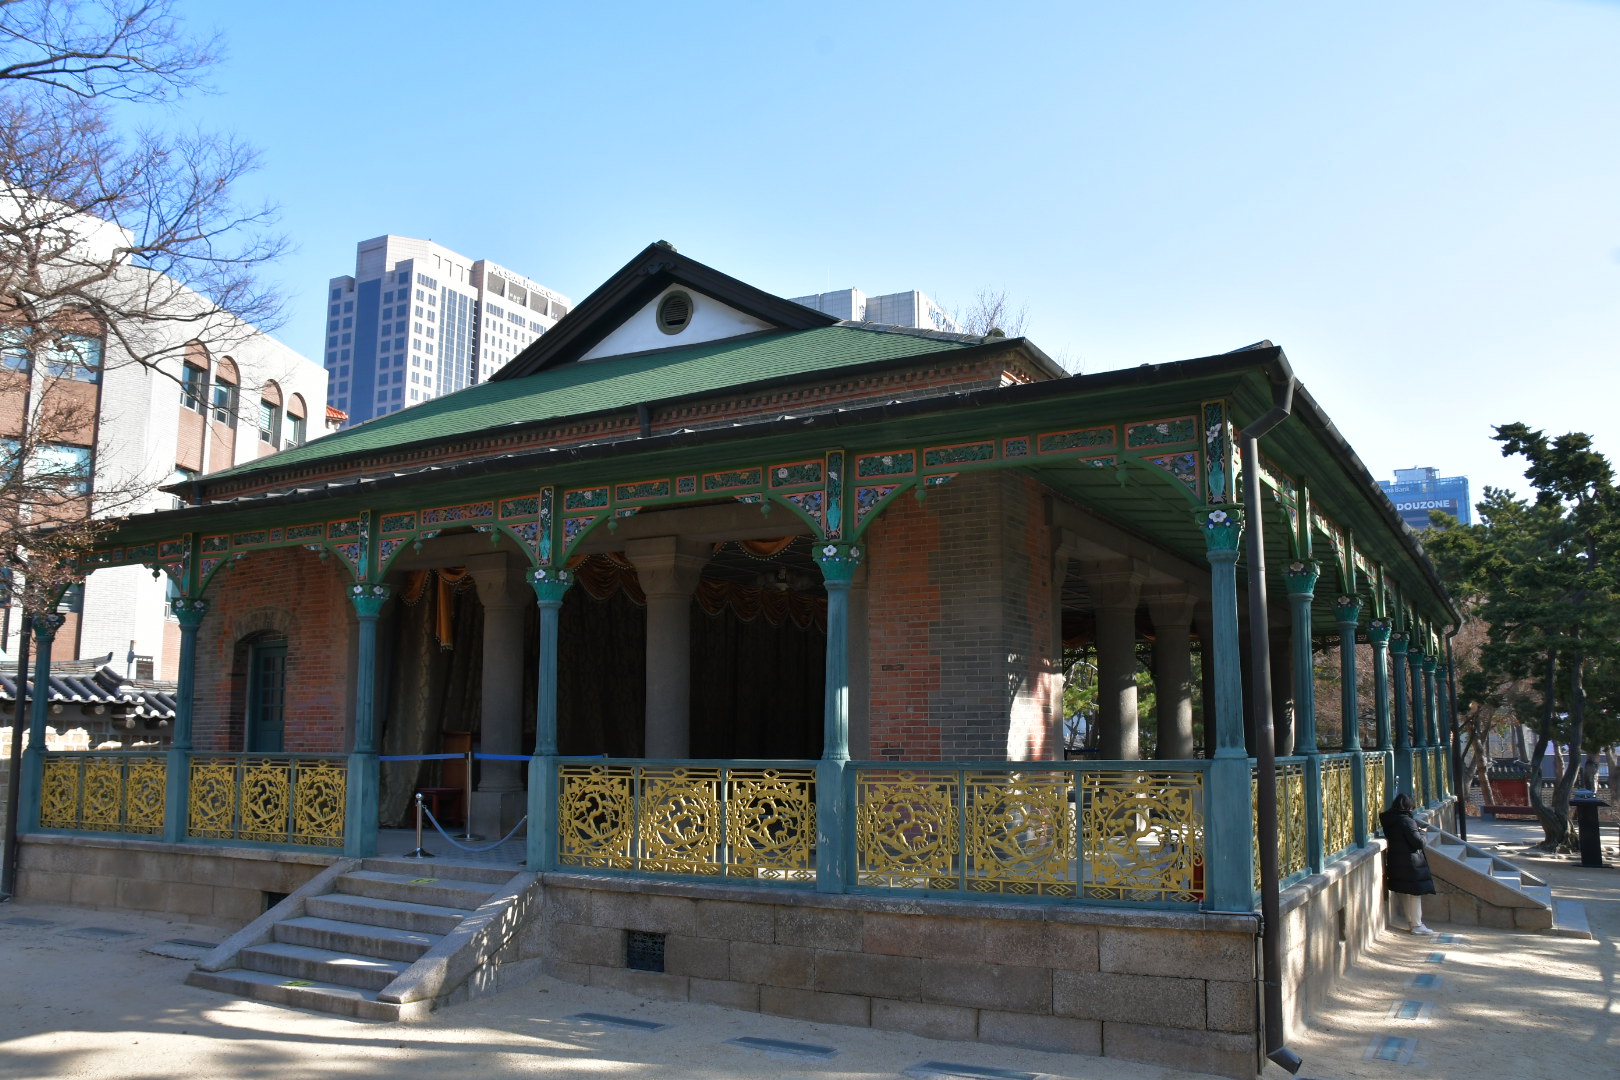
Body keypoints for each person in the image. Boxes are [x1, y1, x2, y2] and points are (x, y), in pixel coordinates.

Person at [1380, 791, 1436, 934]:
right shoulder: (1407, 821)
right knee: (1415, 893)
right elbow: (1418, 843)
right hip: (1410, 862)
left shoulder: (1388, 820)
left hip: (1396, 860)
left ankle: (1411, 921)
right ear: (1408, 807)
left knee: (1405, 891)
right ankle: (1417, 925)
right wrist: (1422, 832)